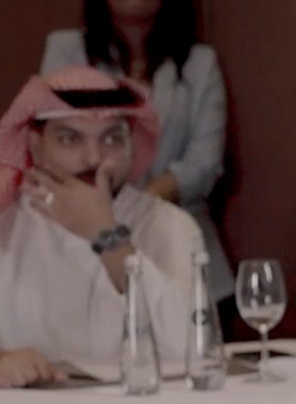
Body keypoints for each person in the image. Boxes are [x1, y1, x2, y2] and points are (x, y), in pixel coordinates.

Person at [0, 68, 201, 388]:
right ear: (36, 146)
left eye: (112, 139)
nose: (94, 158)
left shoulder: (169, 225)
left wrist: (106, 236)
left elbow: (193, 344)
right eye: (70, 139)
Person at [43, 0, 232, 320]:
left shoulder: (200, 63)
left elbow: (203, 165)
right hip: (81, 256)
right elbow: (57, 136)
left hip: (183, 256)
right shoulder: (67, 49)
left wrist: (135, 208)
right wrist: (101, 218)